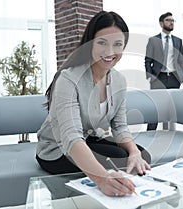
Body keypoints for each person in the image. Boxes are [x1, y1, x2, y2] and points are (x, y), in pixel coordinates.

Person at [36, 11, 151, 197]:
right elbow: (71, 137)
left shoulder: (119, 81)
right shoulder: (69, 78)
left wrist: (134, 151)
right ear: (90, 43)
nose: (110, 52)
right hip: (57, 149)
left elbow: (120, 127)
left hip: (90, 140)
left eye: (118, 44)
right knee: (117, 163)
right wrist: (102, 179)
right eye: (102, 43)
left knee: (139, 158)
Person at [145, 12, 183, 131]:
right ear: (161, 23)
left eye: (173, 20)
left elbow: (181, 60)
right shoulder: (153, 40)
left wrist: (181, 76)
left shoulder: (178, 41)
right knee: (155, 108)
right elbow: (147, 60)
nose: (171, 22)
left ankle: (169, 134)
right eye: (168, 20)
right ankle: (150, 135)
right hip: (158, 77)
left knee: (171, 109)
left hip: (174, 78)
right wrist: (150, 76)